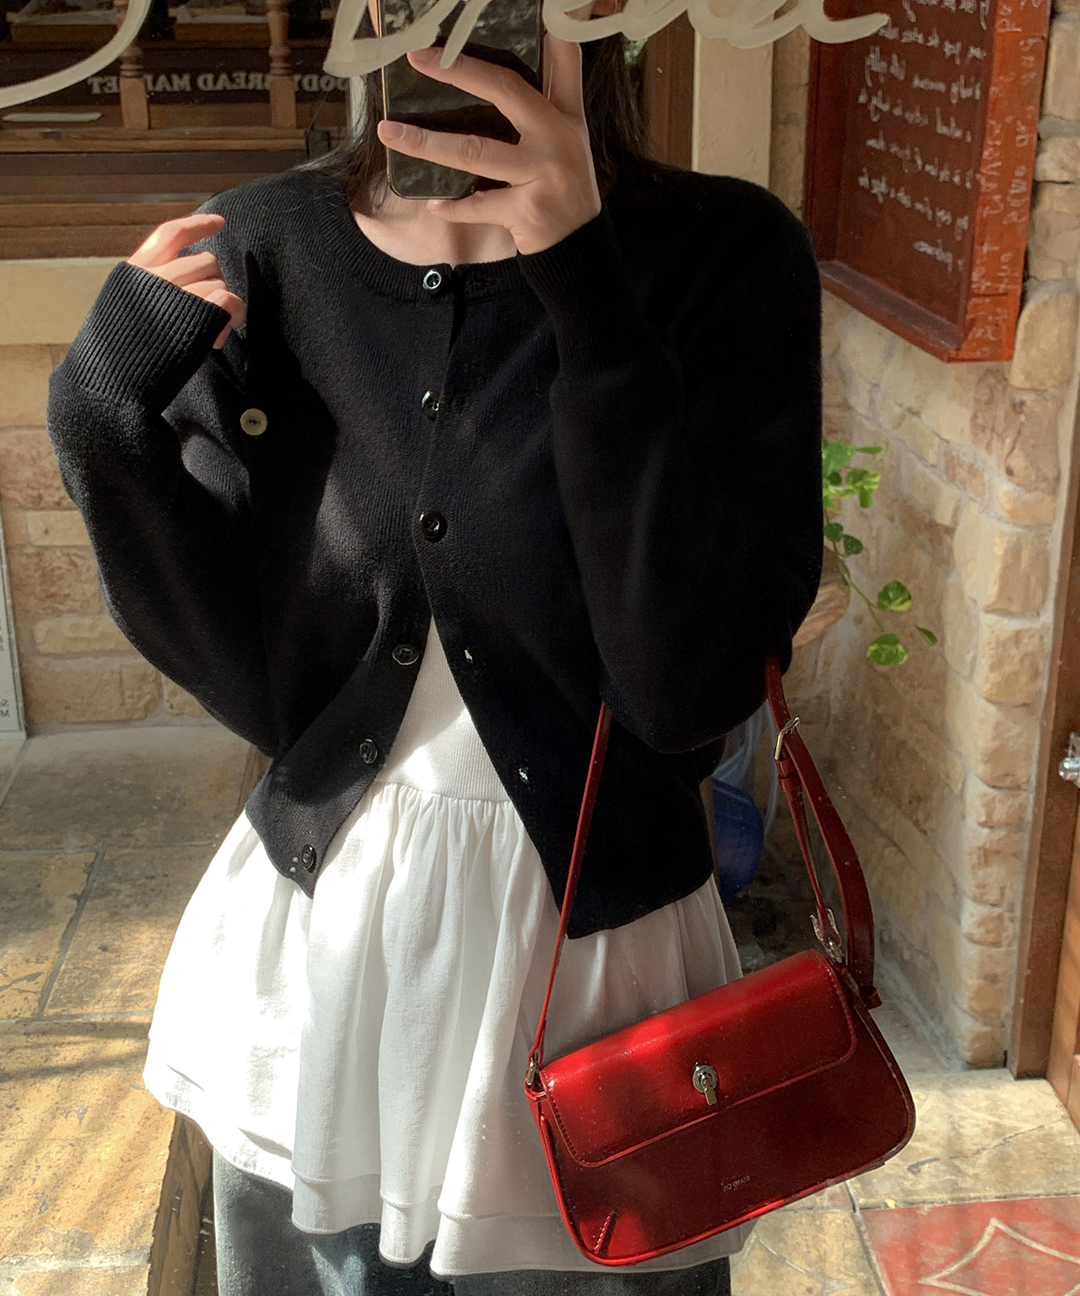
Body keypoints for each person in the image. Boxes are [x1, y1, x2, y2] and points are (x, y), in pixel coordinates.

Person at [46, 20, 823, 1296]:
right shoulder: (264, 252)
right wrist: (100, 420)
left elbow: (687, 690)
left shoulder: (722, 255)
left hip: (592, 987)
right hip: (322, 967)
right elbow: (257, 686)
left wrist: (584, 284)